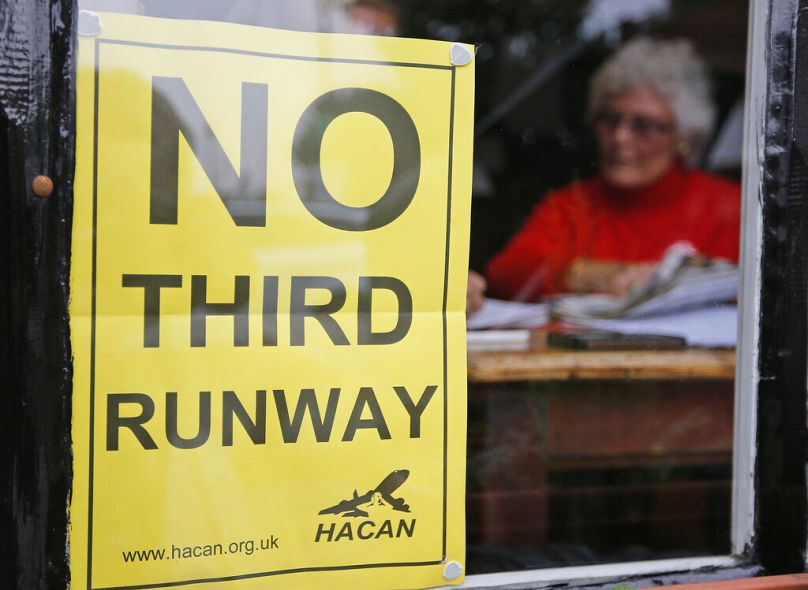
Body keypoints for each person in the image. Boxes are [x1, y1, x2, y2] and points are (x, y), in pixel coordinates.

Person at [469, 37, 741, 309]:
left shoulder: (730, 208)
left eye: (643, 125)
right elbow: (504, 277)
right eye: (610, 120)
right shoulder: (571, 204)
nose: (620, 137)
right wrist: (584, 275)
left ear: (685, 136)